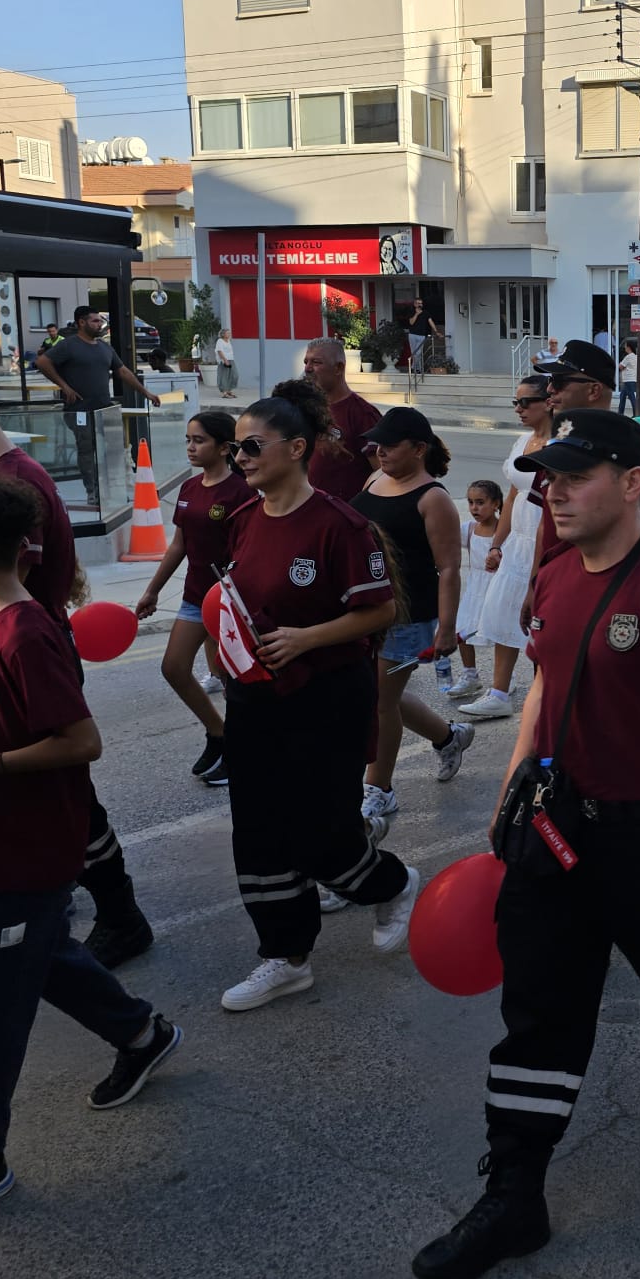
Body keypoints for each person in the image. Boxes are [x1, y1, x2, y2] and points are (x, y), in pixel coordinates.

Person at [410, 410, 640, 1279]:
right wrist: (511, 792)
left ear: (633, 482)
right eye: (550, 477)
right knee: (539, 1011)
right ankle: (515, 1195)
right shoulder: (554, 574)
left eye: (576, 476)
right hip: (556, 832)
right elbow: (545, 684)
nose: (555, 492)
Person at [0, 478, 182, 1224]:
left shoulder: (24, 632)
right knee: (42, 950)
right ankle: (142, 1034)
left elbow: (82, 741)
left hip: (28, 844)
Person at [216, 380, 421, 1012]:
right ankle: (286, 956)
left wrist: (306, 639)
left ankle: (392, 883)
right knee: (257, 829)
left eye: (253, 445)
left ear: (297, 447)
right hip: (255, 701)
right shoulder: (244, 521)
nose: (240, 457)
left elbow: (380, 611)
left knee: (320, 833)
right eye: (236, 447)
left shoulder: (340, 525)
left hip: (327, 699)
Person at [0, 366, 152, 967]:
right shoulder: (2, 476)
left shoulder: (13, 485)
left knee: (63, 798)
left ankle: (116, 915)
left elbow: (4, 597)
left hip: (18, 660)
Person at [350, 408, 473, 836]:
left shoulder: (433, 498)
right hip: (366, 609)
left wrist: (446, 628)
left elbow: (449, 568)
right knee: (383, 694)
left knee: (380, 702)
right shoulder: (374, 480)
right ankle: (449, 737)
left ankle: (379, 788)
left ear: (419, 449)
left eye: (390, 445)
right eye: (378, 444)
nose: (379, 451)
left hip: (408, 616)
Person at [133, 412, 244, 784]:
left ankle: (241, 751)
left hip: (230, 602)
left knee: (233, 680)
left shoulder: (241, 492)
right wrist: (152, 590)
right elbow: (178, 545)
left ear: (224, 448)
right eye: (188, 440)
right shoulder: (189, 488)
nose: (191, 448)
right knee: (174, 667)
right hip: (195, 596)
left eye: (199, 440)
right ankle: (219, 733)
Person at [454, 377, 552, 720]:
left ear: (548, 402)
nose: (518, 409)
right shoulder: (523, 441)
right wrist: (497, 545)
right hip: (517, 541)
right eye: (515, 403)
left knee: (540, 619)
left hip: (543, 539)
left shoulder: (558, 444)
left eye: (525, 403)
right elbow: (511, 495)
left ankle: (545, 696)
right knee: (501, 610)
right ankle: (499, 692)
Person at [35, 305, 161, 506]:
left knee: (117, 446)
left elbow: (123, 371)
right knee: (87, 450)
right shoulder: (69, 345)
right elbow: (42, 362)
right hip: (79, 409)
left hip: (104, 408)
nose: (99, 324)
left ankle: (115, 487)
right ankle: (92, 492)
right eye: (94, 321)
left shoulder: (104, 347)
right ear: (81, 322)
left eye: (100, 321)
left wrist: (146, 392)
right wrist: (64, 386)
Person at [301, 338, 382, 503]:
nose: (308, 368)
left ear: (338, 368)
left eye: (316, 362)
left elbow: (384, 472)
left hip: (346, 513)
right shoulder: (306, 409)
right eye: (306, 362)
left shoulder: (363, 414)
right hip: (308, 510)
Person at [453, 480, 503, 704]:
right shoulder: (469, 530)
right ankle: (470, 674)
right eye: (471, 502)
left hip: (496, 589)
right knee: (462, 631)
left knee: (498, 633)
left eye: (481, 502)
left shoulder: (503, 532)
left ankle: (505, 678)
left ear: (496, 504)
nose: (474, 508)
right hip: (474, 589)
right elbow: (446, 539)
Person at [404, 298, 440, 375]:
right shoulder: (411, 312)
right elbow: (411, 322)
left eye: (421, 303)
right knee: (414, 353)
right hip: (412, 335)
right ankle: (418, 369)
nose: (420, 305)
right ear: (414, 304)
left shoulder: (426, 313)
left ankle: (413, 367)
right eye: (418, 303)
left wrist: (436, 331)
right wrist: (416, 314)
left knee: (418, 353)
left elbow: (431, 322)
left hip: (422, 336)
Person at [215, 326, 238, 399]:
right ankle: (225, 392)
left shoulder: (228, 341)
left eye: (229, 333)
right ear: (223, 334)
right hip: (224, 360)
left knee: (234, 375)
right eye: (227, 333)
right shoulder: (220, 341)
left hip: (231, 359)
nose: (229, 334)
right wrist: (225, 360)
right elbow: (219, 351)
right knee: (224, 376)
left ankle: (229, 390)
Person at [616, 341, 638, 417]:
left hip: (628, 380)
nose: (624, 348)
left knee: (632, 397)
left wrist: (621, 365)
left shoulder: (628, 357)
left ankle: (636, 414)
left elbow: (620, 367)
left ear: (629, 347)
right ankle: (620, 414)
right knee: (622, 396)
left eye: (625, 346)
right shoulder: (635, 356)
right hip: (631, 379)